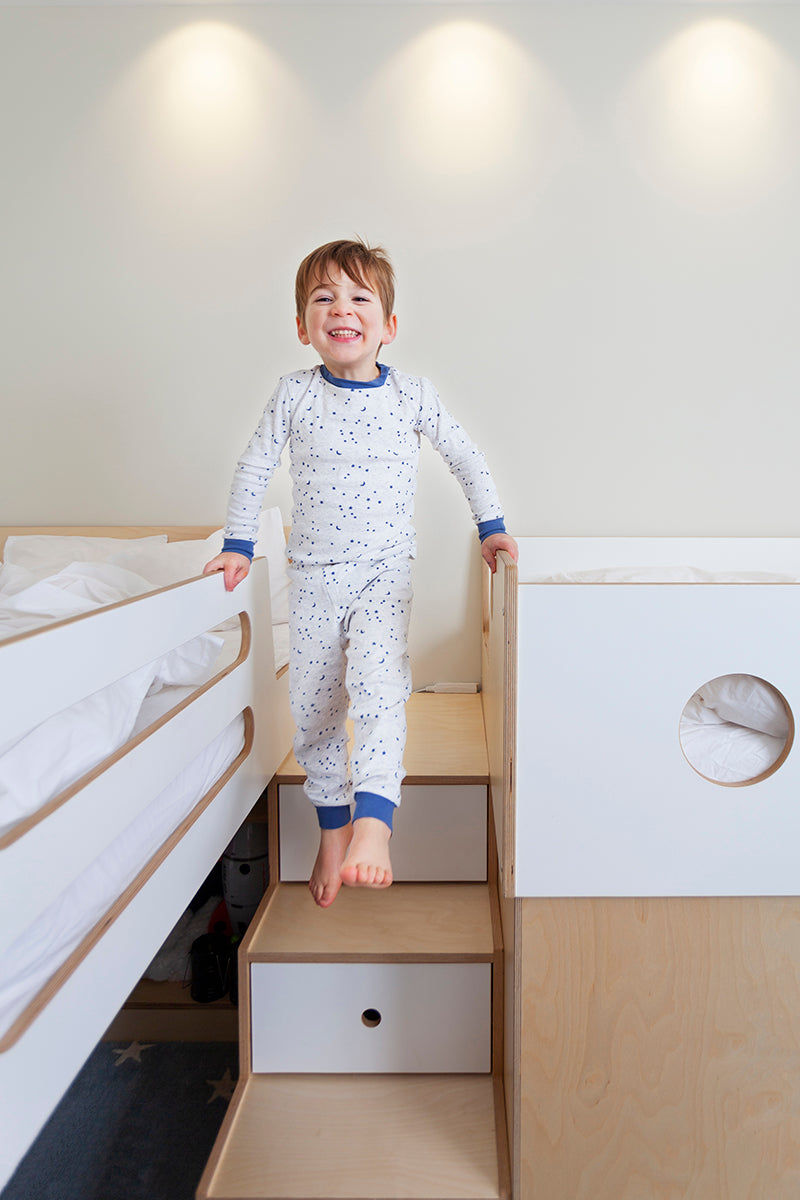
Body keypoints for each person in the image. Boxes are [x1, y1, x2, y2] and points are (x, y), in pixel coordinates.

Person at [204, 239, 518, 908]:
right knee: (315, 712)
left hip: (382, 576)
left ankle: (376, 824)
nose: (340, 309)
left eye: (357, 297)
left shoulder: (412, 394)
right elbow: (254, 467)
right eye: (322, 298)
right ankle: (333, 828)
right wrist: (236, 542)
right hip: (314, 579)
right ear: (301, 326)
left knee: (378, 691)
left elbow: (466, 457)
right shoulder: (293, 395)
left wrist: (490, 528)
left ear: (388, 325)